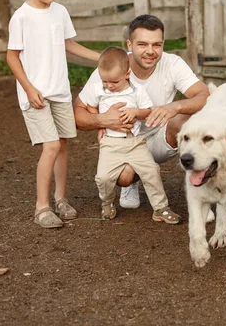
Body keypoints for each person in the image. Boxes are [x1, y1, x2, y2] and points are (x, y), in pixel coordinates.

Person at [74, 14, 209, 212]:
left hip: (159, 136)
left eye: (157, 45)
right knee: (123, 177)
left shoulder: (172, 63)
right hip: (126, 141)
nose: (150, 51)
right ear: (129, 44)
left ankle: (201, 198)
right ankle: (132, 182)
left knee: (188, 121)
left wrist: (175, 107)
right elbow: (77, 112)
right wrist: (102, 120)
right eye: (142, 44)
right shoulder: (113, 66)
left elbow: (204, 95)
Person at [7, 0, 100, 228]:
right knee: (50, 146)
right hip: (35, 94)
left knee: (62, 145)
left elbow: (70, 45)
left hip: (59, 91)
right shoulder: (21, 17)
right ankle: (41, 207)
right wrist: (29, 87)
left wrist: (102, 58)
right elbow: (12, 57)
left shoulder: (60, 11)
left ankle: (61, 199)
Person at [81, 46, 181, 224]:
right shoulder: (98, 89)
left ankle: (160, 208)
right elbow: (87, 103)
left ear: (127, 74)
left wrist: (135, 112)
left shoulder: (137, 91)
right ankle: (107, 202)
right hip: (110, 144)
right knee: (103, 177)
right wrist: (100, 121)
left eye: (114, 82)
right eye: (105, 81)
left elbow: (147, 111)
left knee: (151, 171)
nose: (109, 86)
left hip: (135, 142)